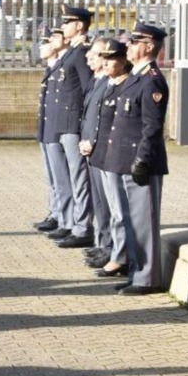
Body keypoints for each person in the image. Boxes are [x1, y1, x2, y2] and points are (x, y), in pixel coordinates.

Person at [103, 22, 170, 295]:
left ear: (149, 46)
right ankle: (136, 273)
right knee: (131, 222)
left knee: (143, 223)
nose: (128, 46)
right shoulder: (135, 77)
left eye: (134, 41)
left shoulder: (152, 79)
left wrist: (142, 159)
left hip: (140, 162)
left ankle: (147, 279)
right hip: (124, 159)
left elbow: (152, 127)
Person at [39, 8, 94, 248]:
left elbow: (88, 90)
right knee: (66, 177)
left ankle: (81, 227)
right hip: (61, 124)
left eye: (67, 22)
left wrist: (85, 127)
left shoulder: (81, 53)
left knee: (78, 178)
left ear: (79, 25)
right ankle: (69, 222)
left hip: (73, 124)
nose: (63, 26)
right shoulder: (70, 52)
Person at [87, 40, 133, 279]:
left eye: (110, 58)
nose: (105, 63)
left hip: (115, 155)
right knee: (112, 208)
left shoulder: (126, 86)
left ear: (123, 61)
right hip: (102, 155)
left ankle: (120, 256)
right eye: (103, 58)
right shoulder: (109, 85)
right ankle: (115, 251)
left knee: (118, 210)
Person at [77, 37, 112, 271]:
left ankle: (108, 247)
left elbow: (103, 119)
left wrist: (92, 141)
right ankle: (103, 244)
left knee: (107, 204)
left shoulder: (107, 82)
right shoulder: (96, 80)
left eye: (95, 54)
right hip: (90, 146)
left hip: (101, 148)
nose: (89, 57)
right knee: (99, 202)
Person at [33, 31, 64, 233]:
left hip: (56, 129)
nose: (42, 46)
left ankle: (62, 216)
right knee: (51, 177)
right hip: (46, 128)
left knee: (60, 178)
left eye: (47, 41)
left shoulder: (62, 67)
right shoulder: (52, 68)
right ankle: (55, 212)